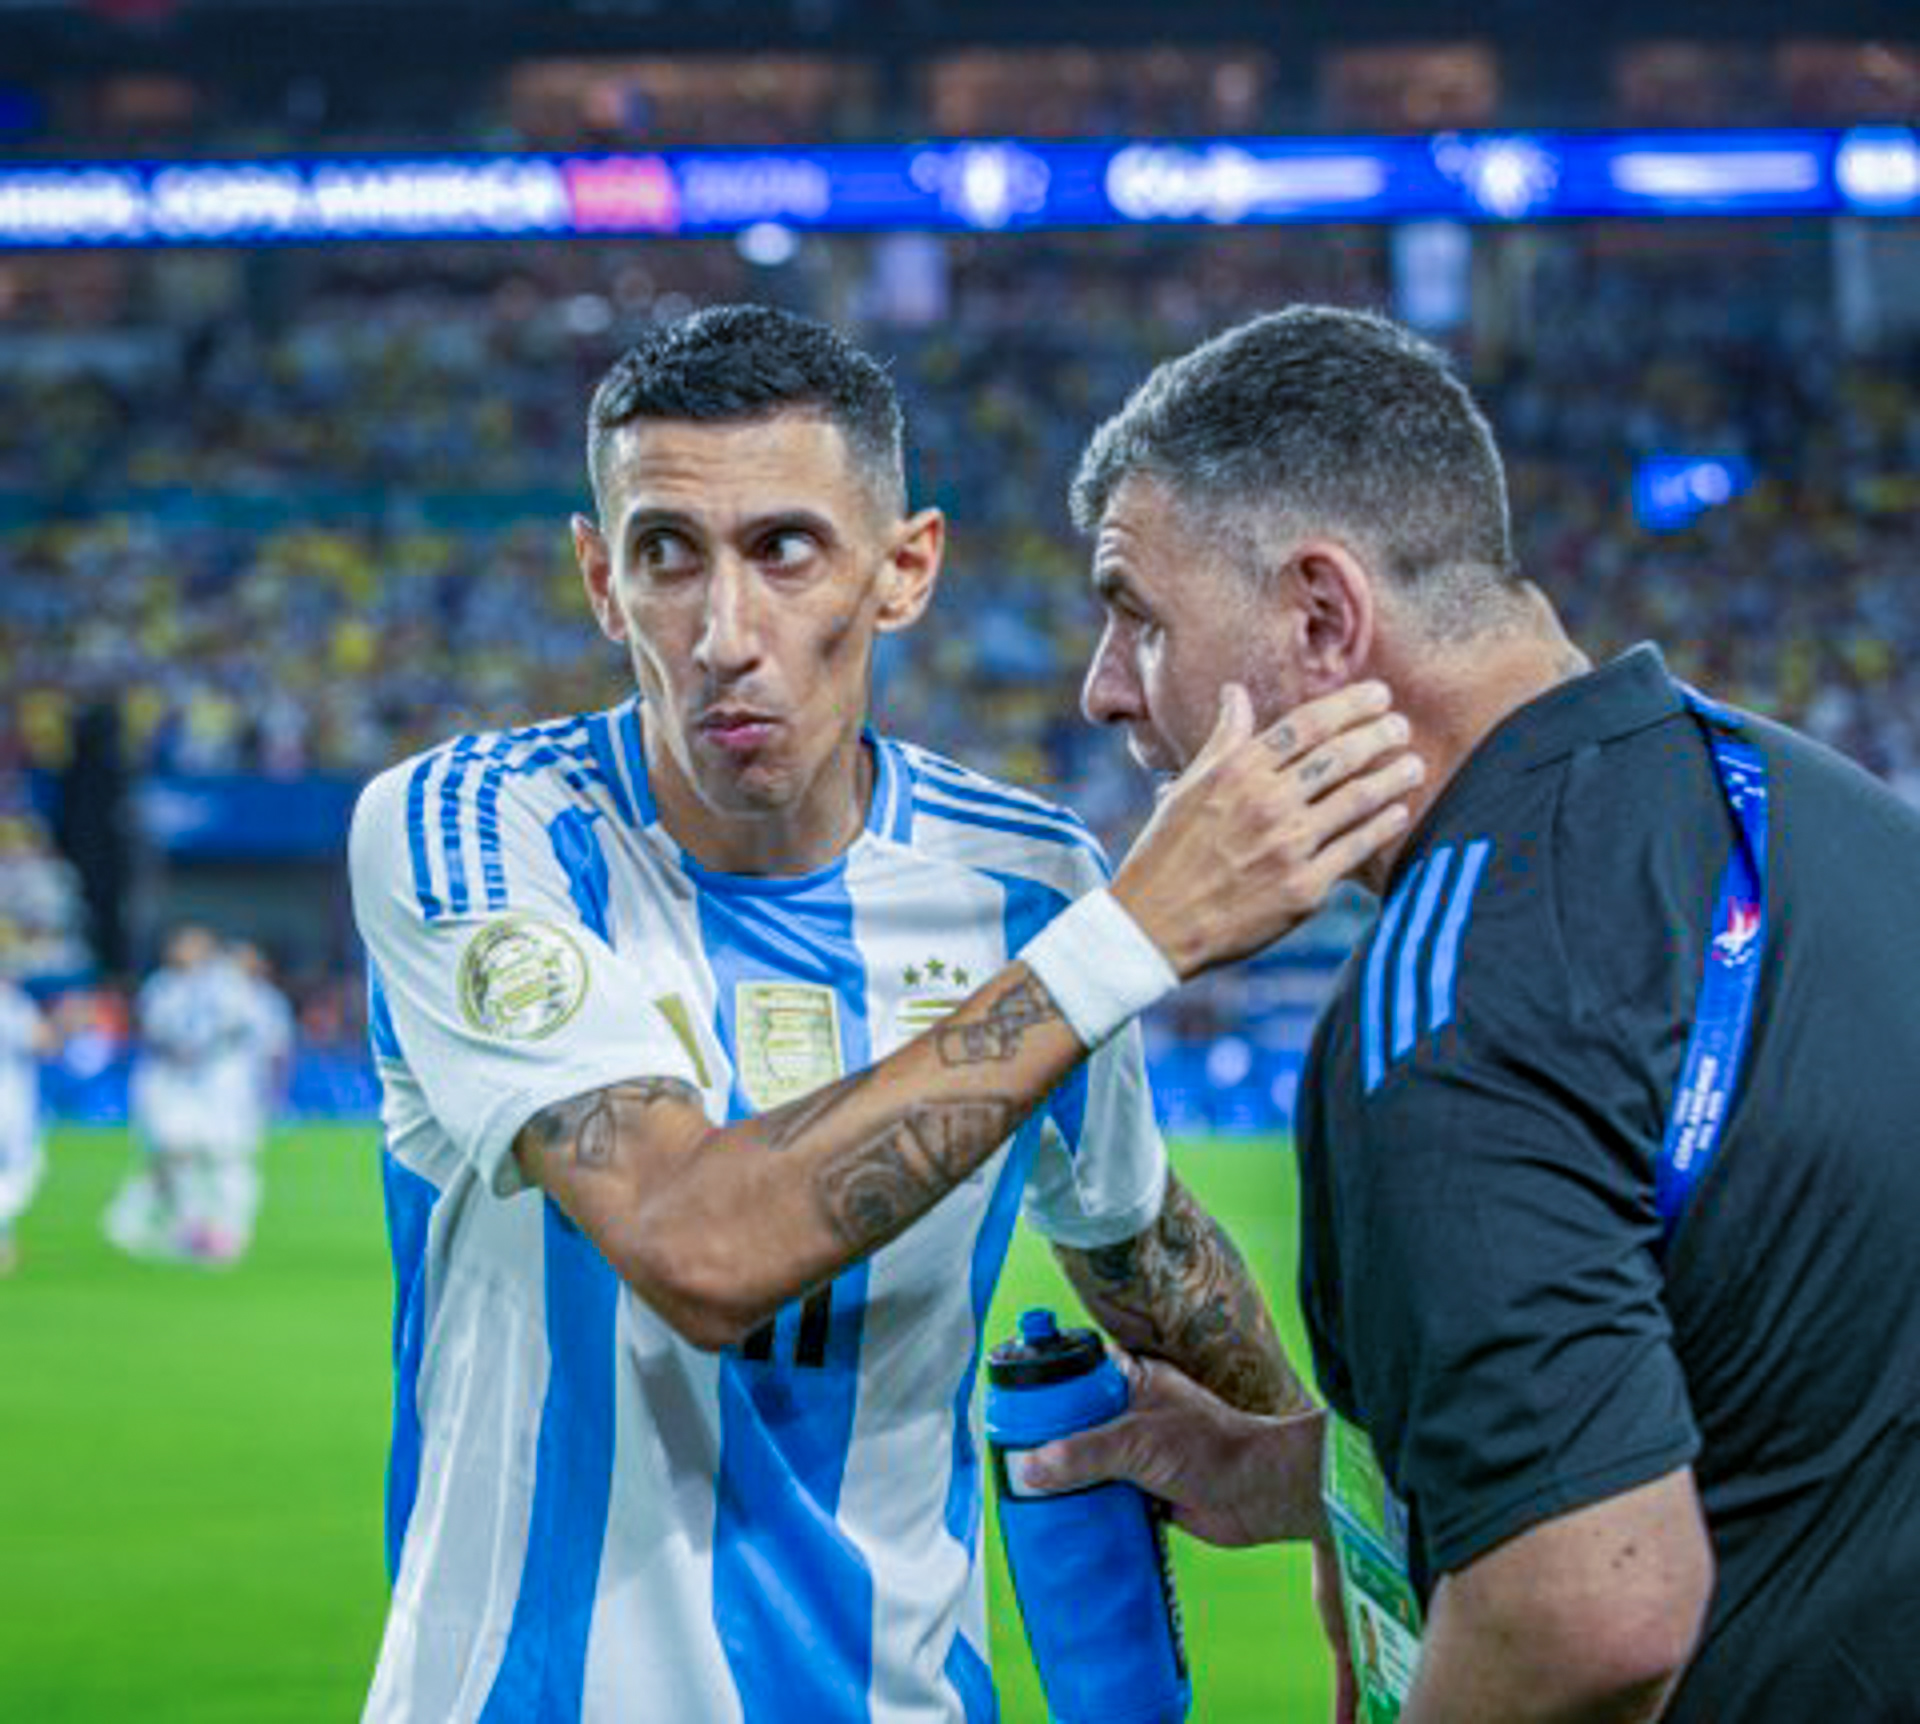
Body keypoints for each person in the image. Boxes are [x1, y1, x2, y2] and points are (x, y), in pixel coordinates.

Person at [346, 304, 1421, 1723]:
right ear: (601, 581)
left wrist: (1342, 1534)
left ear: (905, 567)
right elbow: (695, 1244)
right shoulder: (474, 831)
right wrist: (1131, 939)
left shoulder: (1027, 884)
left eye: (784, 548)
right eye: (668, 554)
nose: (725, 633)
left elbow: (1135, 1240)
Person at [1019, 303, 1920, 1722]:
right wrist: (1291, 1471)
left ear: (1322, 617)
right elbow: (1756, 1388)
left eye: (1141, 617)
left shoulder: (1451, 1000)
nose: (1108, 689)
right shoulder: (1815, 812)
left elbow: (1591, 1611)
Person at [106, 925, 257, 1264]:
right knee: (176, 1152)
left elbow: (241, 1027)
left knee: (225, 1155)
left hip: (220, 1084)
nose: (183, 951)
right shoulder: (162, 986)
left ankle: (230, 1229)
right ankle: (190, 1226)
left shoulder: (227, 984)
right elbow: (153, 1028)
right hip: (174, 1082)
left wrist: (205, 1049)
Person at [0, 974, 54, 1274]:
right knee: (20, 1169)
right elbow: (42, 1042)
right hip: (9, 1099)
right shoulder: (11, 1002)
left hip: (12, 1098)